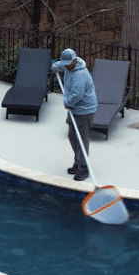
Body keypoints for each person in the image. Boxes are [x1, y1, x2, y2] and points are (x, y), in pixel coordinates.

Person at [51, 48, 96, 181]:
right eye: (65, 64)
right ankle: (78, 162)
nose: (66, 66)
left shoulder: (80, 75)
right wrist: (54, 66)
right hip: (74, 109)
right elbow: (58, 65)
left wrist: (67, 102)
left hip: (84, 109)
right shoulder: (68, 66)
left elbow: (77, 95)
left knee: (82, 139)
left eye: (68, 63)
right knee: (72, 136)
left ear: (75, 60)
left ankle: (84, 168)